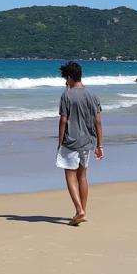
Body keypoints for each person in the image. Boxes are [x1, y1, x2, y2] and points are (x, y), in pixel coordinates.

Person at [56, 61, 103, 226]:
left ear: (69, 77)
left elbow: (63, 120)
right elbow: (98, 122)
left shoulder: (66, 95)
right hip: (88, 141)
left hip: (71, 141)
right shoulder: (93, 95)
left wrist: (60, 141)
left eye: (66, 79)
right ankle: (83, 210)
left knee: (70, 175)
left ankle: (79, 210)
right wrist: (100, 145)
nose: (65, 82)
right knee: (82, 176)